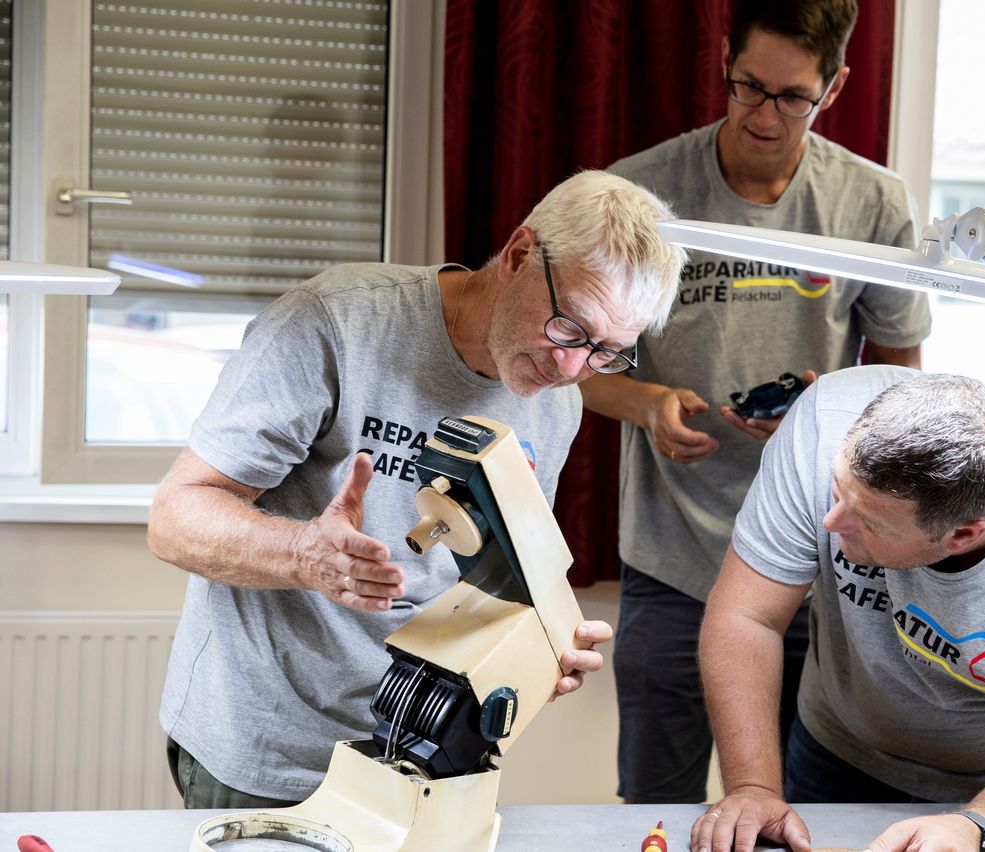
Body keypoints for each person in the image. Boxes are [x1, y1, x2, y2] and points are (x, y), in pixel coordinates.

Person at [147, 170, 688, 809]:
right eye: (570, 326)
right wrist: (305, 556)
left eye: (607, 351)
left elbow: (494, 576)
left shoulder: (555, 403)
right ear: (518, 255)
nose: (571, 367)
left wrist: (537, 649)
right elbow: (175, 516)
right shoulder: (335, 324)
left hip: (425, 756)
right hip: (271, 746)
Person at [582, 0, 932, 804]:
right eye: (750, 88)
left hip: (813, 561)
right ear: (724, 65)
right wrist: (648, 403)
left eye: (793, 97)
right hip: (671, 562)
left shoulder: (871, 204)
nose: (766, 116)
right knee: (656, 805)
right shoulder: (639, 194)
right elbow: (579, 365)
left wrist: (832, 410)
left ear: (835, 86)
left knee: (794, 806)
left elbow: (906, 386)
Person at [692, 367, 985, 852]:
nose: (831, 522)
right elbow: (748, 617)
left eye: (867, 522)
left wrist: (972, 829)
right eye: (835, 489)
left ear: (963, 535)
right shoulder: (824, 421)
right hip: (833, 744)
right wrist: (754, 788)